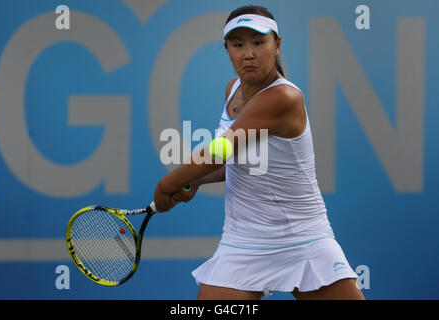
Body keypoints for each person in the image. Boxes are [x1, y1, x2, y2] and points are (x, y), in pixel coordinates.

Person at [153, 5, 365, 300]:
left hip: (301, 238)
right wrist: (198, 180)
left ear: (277, 45)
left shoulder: (283, 97)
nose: (248, 54)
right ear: (227, 49)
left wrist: (167, 185)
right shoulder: (232, 90)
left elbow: (221, 150)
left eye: (258, 42)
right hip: (242, 242)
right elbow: (242, 161)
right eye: (237, 44)